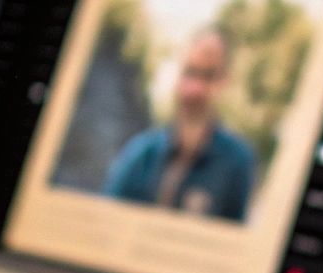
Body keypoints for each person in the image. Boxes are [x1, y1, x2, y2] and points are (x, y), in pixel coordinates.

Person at [102, 28, 256, 221]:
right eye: (190, 72)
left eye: (208, 76)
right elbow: (104, 220)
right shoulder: (140, 152)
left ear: (224, 81)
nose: (195, 88)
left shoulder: (237, 162)